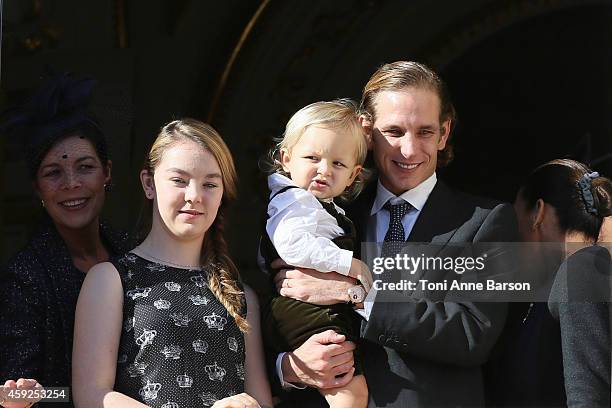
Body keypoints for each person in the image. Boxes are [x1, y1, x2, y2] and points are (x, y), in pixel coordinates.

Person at [272, 61, 519, 407]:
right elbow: (273, 316)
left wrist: (355, 293)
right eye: (394, 131)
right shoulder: (320, 216)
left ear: (444, 133)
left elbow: (472, 333)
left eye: (425, 132)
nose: (408, 149)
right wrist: (290, 368)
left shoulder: (486, 221)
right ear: (366, 132)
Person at [72, 119, 272, 408]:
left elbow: (261, 401)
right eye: (179, 180)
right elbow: (92, 396)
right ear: (148, 183)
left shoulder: (241, 296)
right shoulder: (110, 279)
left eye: (210, 184)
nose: (194, 196)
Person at [0, 73, 129, 408]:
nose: (71, 184)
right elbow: (14, 393)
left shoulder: (133, 253)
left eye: (85, 167)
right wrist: (87, 395)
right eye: (53, 172)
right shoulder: (25, 277)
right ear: (37, 189)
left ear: (107, 173)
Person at [260, 99, 371, 407]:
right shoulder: (293, 201)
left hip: (319, 308)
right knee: (350, 391)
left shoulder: (326, 207)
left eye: (338, 164)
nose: (324, 170)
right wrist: (349, 264)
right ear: (286, 158)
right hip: (302, 309)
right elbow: (292, 244)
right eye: (312, 157)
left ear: (353, 175)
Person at [492, 159, 611, 406]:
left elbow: (588, 397)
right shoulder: (554, 283)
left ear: (538, 212)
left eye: (516, 216)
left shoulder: (582, 267)